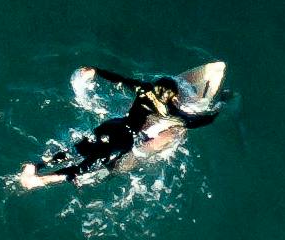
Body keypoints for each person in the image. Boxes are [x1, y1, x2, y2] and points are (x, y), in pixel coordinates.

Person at [18, 67, 220, 190]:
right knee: (87, 165)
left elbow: (119, 79)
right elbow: (191, 122)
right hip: (125, 138)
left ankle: (37, 166)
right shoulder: (167, 109)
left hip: (112, 125)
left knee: (79, 149)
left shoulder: (143, 88)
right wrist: (214, 115)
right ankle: (41, 181)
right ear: (171, 97)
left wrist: (96, 71)